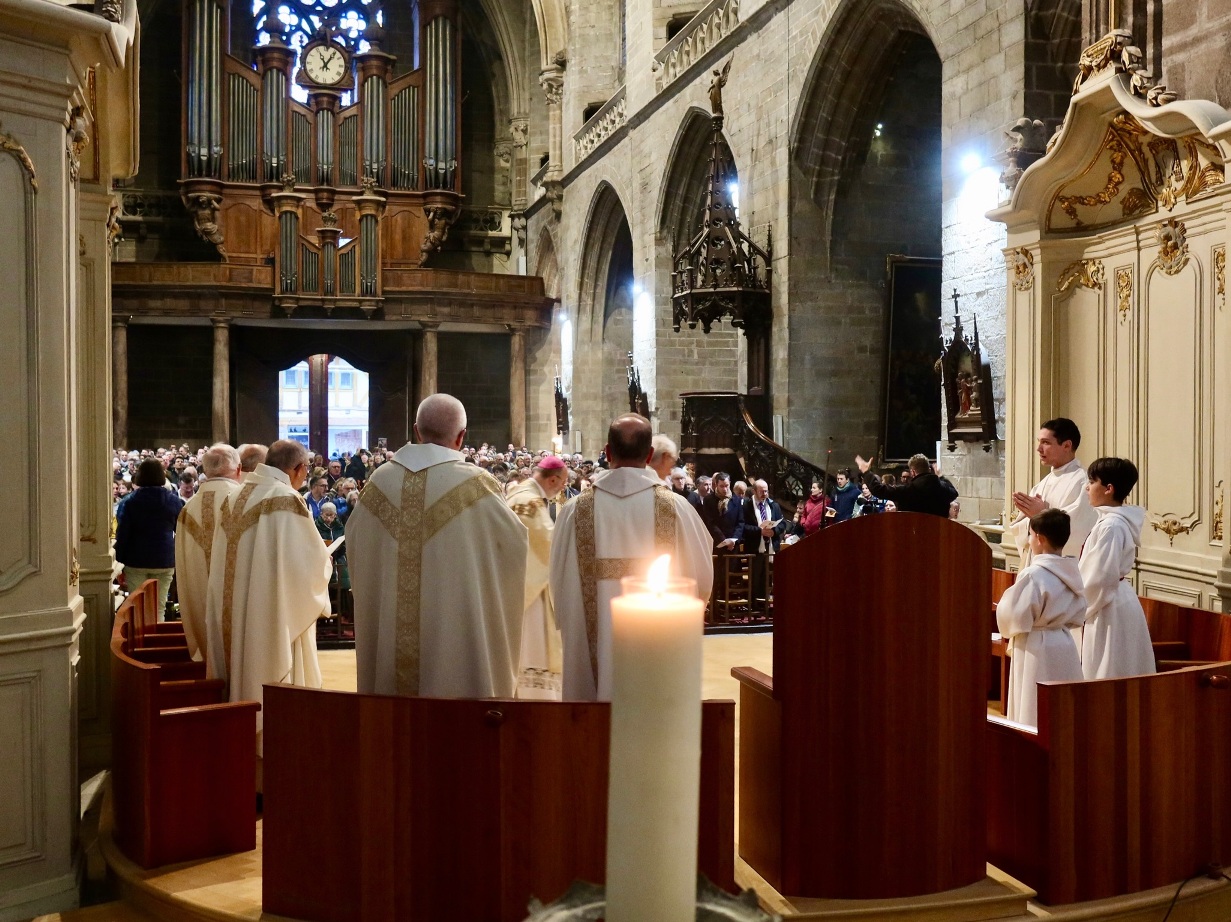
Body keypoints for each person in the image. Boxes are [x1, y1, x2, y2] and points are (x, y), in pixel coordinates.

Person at [347, 394, 528, 698]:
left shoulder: (379, 483)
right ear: (461, 436)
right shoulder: (478, 486)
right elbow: (514, 551)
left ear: (416, 431)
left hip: (389, 649)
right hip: (457, 638)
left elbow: (357, 545)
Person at [551, 414, 713, 700]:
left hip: (587, 658)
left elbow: (557, 581)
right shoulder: (677, 509)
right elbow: (701, 579)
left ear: (607, 452)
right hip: (660, 644)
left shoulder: (574, 511)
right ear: (649, 454)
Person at [204, 439, 330, 760]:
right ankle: (279, 751)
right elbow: (308, 568)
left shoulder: (234, 496)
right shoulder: (286, 499)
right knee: (270, 675)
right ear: (299, 469)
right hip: (269, 615)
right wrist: (325, 562)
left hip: (238, 610)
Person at [995, 509, 1085, 728]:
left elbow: (1014, 613)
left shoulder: (1033, 573)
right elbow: (1080, 608)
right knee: (1061, 708)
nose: (1028, 540)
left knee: (1033, 706)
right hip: (1064, 641)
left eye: (1030, 535)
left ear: (1039, 538)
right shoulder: (1072, 570)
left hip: (1034, 644)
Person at [1079, 457, 1156, 680]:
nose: (1087, 488)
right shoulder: (1109, 521)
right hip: (1111, 600)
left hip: (1107, 604)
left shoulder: (1112, 526)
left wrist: (1076, 608)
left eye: (1092, 482)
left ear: (1108, 489)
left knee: (1109, 668)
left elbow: (1100, 577)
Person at [507, 455, 569, 699]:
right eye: (562, 483)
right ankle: (534, 697)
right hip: (531, 591)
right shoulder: (531, 502)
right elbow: (549, 546)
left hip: (513, 583)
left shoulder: (515, 494)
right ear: (552, 480)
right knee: (534, 646)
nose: (562, 488)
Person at [175, 443, 242, 661]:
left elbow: (183, 569)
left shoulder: (188, 509)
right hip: (241, 605)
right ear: (239, 469)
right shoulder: (246, 503)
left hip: (200, 599)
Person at [1009, 418, 1096, 565]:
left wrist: (1041, 515)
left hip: (1062, 568)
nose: (1039, 449)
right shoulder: (1043, 483)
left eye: (1046, 442)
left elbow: (1078, 532)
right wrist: (1033, 516)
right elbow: (1022, 529)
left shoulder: (1083, 483)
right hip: (1039, 564)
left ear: (1067, 445)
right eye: (1039, 442)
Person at [115, 458, 185, 619]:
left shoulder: (129, 502)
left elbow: (123, 533)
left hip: (136, 559)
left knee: (137, 607)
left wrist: (120, 560)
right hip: (164, 559)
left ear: (140, 476)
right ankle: (156, 633)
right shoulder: (174, 501)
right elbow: (181, 533)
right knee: (159, 607)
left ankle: (140, 635)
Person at [855, 453, 957, 517]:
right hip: (938, 537)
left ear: (913, 472)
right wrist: (940, 476)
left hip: (913, 537)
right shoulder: (943, 488)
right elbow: (954, 492)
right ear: (929, 470)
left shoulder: (908, 490)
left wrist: (866, 472)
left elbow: (878, 490)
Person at [742, 479, 786, 610]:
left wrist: (774, 531)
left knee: (768, 578)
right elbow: (743, 526)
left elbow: (783, 524)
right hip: (755, 547)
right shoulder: (746, 506)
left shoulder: (773, 505)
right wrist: (759, 531)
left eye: (766, 491)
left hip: (771, 547)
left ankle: (764, 605)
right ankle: (754, 605)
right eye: (761, 491)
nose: (764, 494)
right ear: (754, 491)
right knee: (755, 578)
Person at [315, 501, 349, 620]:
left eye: (331, 515)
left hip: (338, 558)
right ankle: (324, 613)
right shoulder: (315, 526)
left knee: (343, 581)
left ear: (335, 515)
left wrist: (339, 546)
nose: (329, 518)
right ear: (321, 514)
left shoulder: (340, 526)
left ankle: (341, 614)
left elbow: (344, 543)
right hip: (322, 560)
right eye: (326, 515)